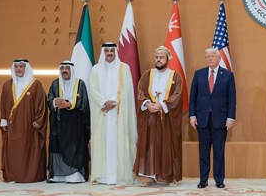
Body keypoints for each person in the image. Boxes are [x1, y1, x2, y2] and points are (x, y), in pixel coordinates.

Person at [134, 46, 184, 186]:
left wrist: (162, 105)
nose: (158, 60)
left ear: (168, 59)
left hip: (167, 118)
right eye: (157, 57)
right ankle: (149, 175)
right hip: (150, 116)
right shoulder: (147, 75)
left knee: (168, 145)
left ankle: (169, 176)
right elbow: (140, 91)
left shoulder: (175, 76)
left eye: (161, 57)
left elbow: (177, 94)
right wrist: (147, 103)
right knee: (149, 145)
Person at [88, 42, 137, 185]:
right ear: (103, 52)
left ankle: (118, 175)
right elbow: (93, 88)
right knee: (102, 142)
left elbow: (126, 89)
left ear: (115, 52)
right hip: (102, 112)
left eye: (112, 51)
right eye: (107, 51)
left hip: (118, 112)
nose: (109, 53)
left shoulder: (124, 68)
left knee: (118, 142)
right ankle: (102, 176)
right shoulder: (95, 69)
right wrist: (104, 102)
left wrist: (113, 102)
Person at [189, 47, 236, 189]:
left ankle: (219, 180)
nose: (209, 59)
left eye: (212, 56)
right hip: (202, 118)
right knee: (203, 151)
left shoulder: (228, 75)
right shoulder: (199, 74)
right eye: (207, 56)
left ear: (219, 58)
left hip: (220, 119)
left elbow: (232, 98)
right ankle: (203, 180)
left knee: (219, 151)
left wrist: (230, 117)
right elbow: (193, 97)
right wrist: (192, 115)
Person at [0, 58, 46, 183]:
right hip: (12, 126)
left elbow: (41, 104)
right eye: (16, 66)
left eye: (21, 66)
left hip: (29, 126)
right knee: (13, 151)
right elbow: (3, 104)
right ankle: (13, 175)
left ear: (27, 68)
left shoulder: (35, 84)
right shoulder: (7, 85)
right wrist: (3, 120)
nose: (18, 69)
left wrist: (39, 121)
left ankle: (29, 176)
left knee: (28, 150)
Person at [46, 61, 90, 183]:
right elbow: (49, 99)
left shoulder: (80, 84)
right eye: (62, 68)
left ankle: (75, 174)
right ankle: (58, 175)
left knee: (75, 147)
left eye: (67, 68)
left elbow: (84, 102)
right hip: (59, 122)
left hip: (75, 124)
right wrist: (55, 102)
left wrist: (69, 104)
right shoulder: (55, 84)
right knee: (58, 146)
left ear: (72, 70)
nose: (64, 70)